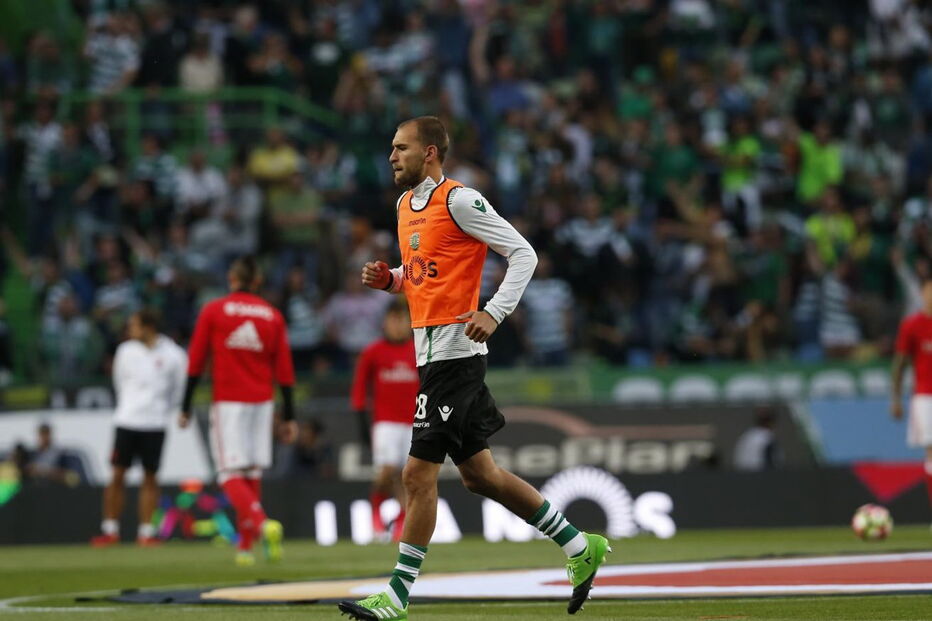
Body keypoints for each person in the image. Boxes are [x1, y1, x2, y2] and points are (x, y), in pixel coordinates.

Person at [339, 117, 610, 621]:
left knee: (416, 476)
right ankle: (579, 546)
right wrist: (391, 280)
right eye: (390, 148)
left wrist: (494, 311)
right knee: (481, 477)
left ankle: (396, 596)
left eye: (402, 148)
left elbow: (523, 254)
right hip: (431, 354)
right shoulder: (403, 206)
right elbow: (423, 276)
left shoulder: (460, 200)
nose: (392, 156)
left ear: (431, 154)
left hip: (455, 355)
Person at [180, 256, 297, 567]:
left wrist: (185, 405)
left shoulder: (214, 310)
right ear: (257, 281)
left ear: (232, 279)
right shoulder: (271, 315)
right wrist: (289, 417)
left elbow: (196, 360)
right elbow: (285, 371)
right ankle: (247, 548)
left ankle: (261, 524)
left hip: (230, 401)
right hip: (262, 401)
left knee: (229, 474)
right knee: (251, 472)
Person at [91, 309, 187, 547]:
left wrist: (162, 410)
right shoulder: (125, 351)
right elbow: (119, 383)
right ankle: (110, 530)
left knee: (150, 478)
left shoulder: (174, 355)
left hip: (155, 423)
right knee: (117, 475)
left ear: (148, 327)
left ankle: (146, 532)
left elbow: (179, 390)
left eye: (134, 325)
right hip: (126, 421)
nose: (130, 330)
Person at [351, 300, 419, 542]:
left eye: (402, 320)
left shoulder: (419, 349)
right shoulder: (373, 352)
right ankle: (376, 517)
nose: (397, 325)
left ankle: (399, 527)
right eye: (393, 319)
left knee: (408, 477)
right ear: (384, 322)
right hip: (386, 423)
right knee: (385, 472)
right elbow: (359, 390)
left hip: (414, 422)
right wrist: (361, 423)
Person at [891, 276, 932, 526]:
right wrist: (895, 399)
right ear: (922, 294)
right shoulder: (912, 325)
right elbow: (900, 365)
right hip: (925, 397)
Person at [732, 407, 782, 471]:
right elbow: (773, 465)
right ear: (771, 422)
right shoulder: (768, 438)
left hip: (740, 477)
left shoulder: (746, 436)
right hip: (760, 477)